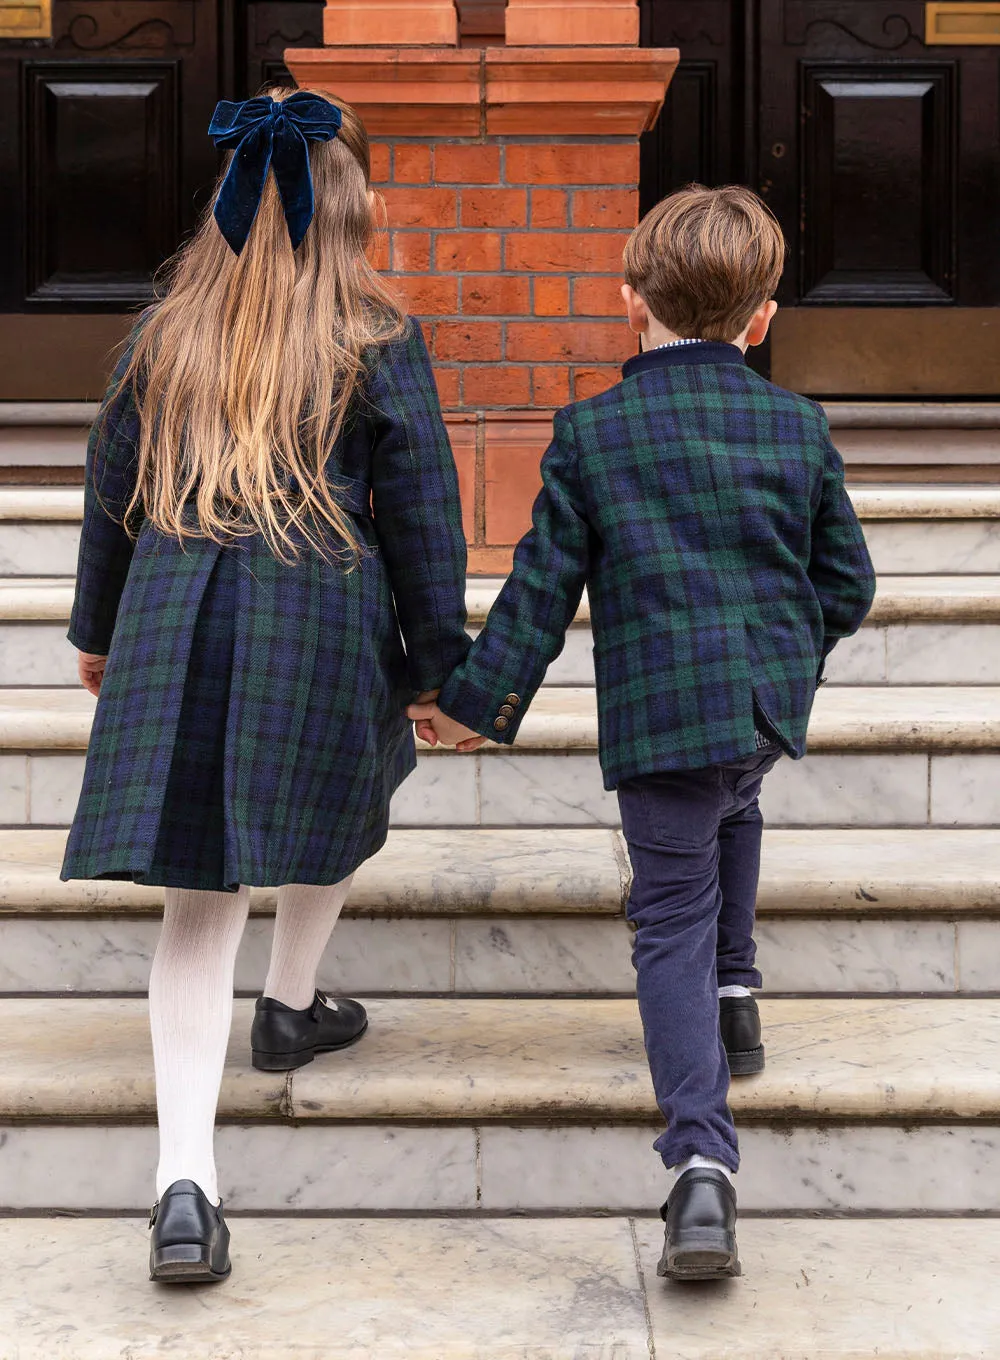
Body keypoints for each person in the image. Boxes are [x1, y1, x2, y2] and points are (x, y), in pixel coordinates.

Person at [409, 185, 876, 1281]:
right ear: (760, 319)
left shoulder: (591, 430)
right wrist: (784, 653)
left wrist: (474, 703)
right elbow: (847, 584)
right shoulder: (796, 423)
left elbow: (537, 591)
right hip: (760, 705)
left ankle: (699, 1169)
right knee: (741, 803)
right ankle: (738, 993)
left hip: (665, 714)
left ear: (630, 303)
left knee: (667, 910)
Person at [62, 88, 470, 1284]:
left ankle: (185, 1184)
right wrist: (437, 666)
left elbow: (110, 499)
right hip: (321, 616)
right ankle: (288, 1001)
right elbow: (428, 521)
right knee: (344, 789)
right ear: (352, 213)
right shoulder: (378, 339)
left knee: (198, 897)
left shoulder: (164, 333)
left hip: (177, 620)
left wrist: (98, 631)